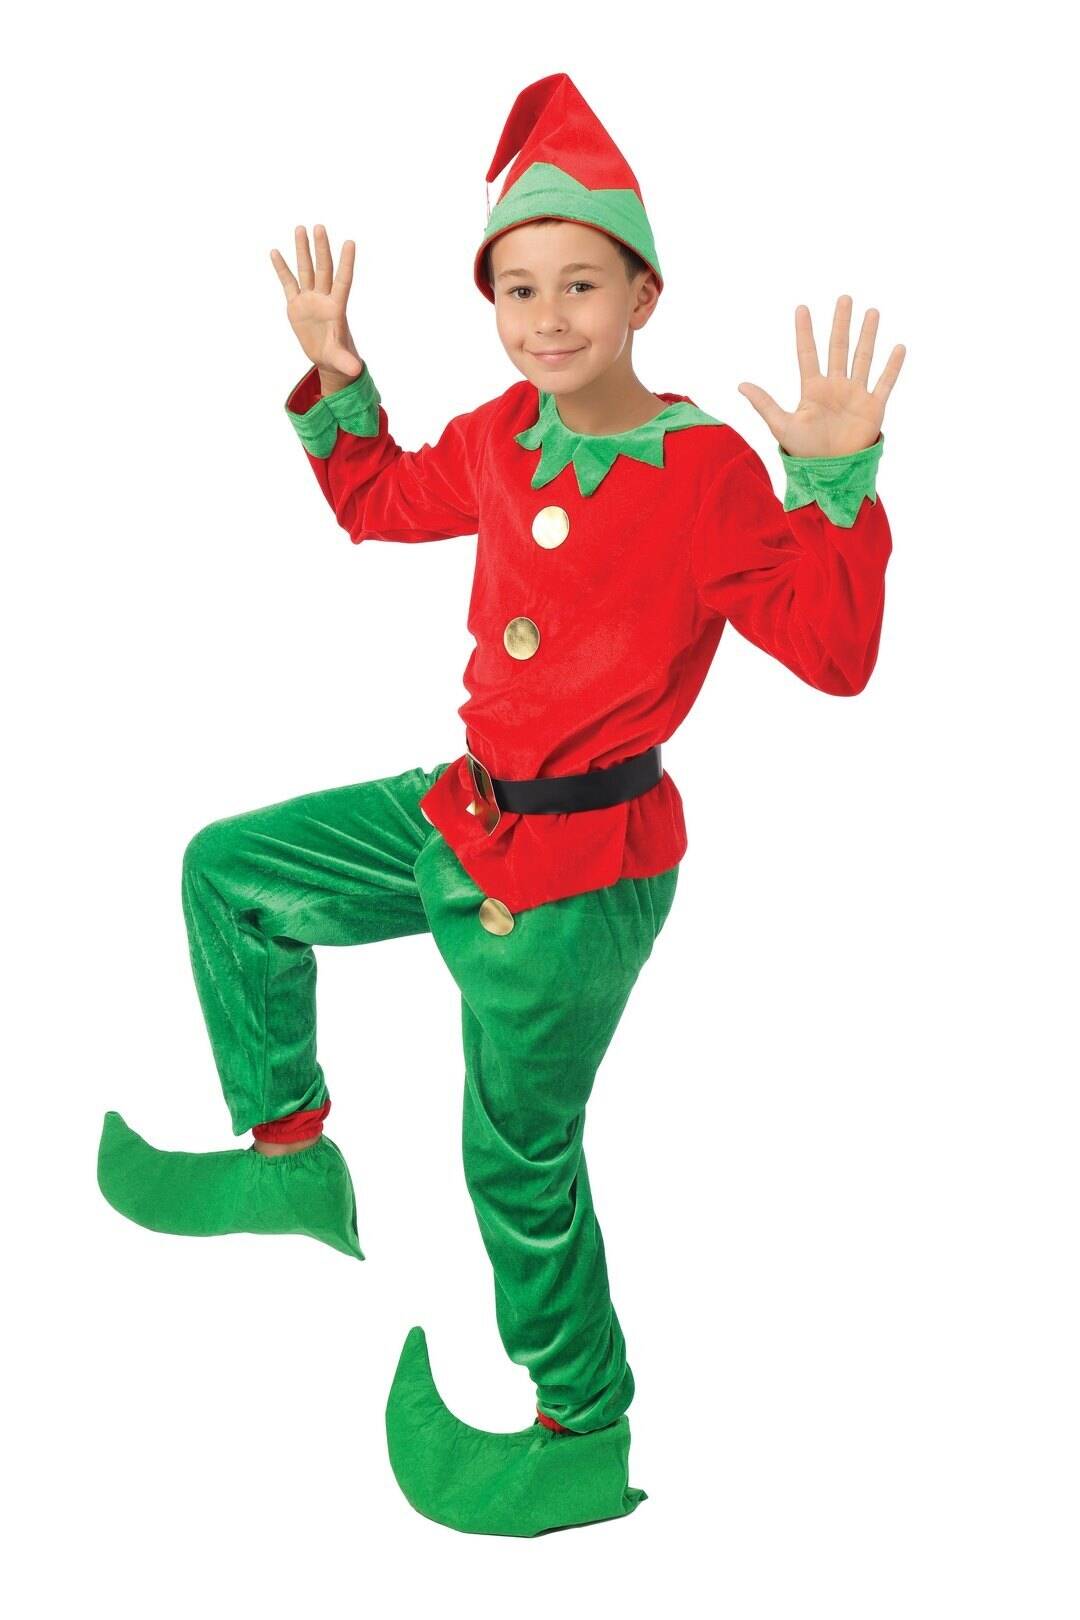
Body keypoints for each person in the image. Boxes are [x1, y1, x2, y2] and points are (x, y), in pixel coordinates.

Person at [97, 71, 905, 1537]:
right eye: (518, 289)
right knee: (232, 873)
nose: (547, 317)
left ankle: (581, 1426)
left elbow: (833, 653)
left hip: (583, 868)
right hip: (463, 814)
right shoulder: (500, 433)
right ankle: (289, 1159)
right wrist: (340, 373)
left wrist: (833, 485)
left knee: (515, 1155)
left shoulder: (706, 470)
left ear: (643, 294)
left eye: (579, 283)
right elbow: (376, 501)